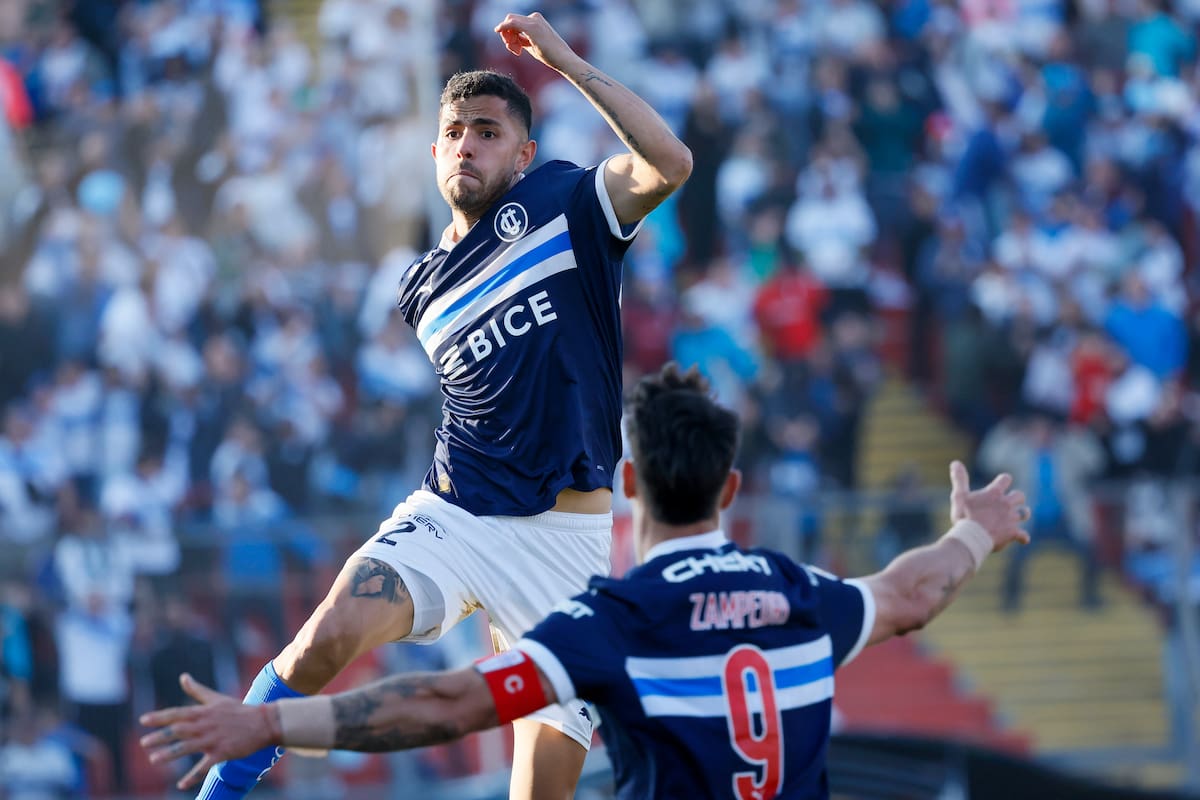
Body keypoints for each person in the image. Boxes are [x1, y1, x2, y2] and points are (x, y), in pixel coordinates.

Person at [191, 11, 693, 800]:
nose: (468, 143)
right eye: (456, 131)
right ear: (434, 153)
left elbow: (668, 161)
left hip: (567, 542)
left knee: (542, 791)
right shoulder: (418, 286)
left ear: (523, 154)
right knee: (327, 636)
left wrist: (562, 61)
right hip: (457, 511)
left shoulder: (567, 203)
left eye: (489, 131)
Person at [142, 364, 1031, 799]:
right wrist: (974, 529)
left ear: (630, 485)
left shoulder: (614, 623)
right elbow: (916, 593)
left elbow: (450, 703)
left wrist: (266, 720)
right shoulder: (804, 598)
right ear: (732, 489)